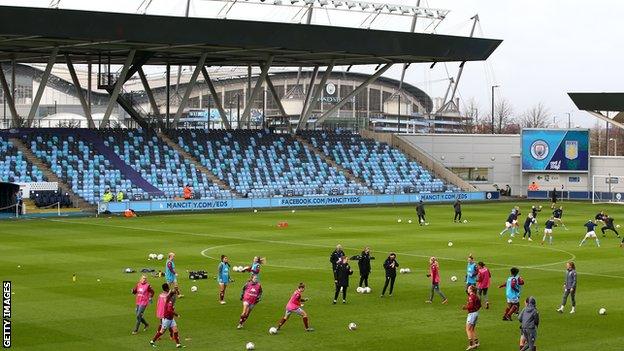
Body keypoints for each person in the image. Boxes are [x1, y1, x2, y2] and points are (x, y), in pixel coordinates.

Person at [462, 285, 481, 350]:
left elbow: (471, 305)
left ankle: (471, 344)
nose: (467, 289)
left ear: (471, 290)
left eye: (469, 288)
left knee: (468, 329)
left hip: (472, 314)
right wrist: (476, 310)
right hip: (476, 313)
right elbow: (479, 305)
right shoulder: (476, 296)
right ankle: (476, 342)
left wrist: (465, 307)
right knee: (472, 329)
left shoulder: (471, 297)